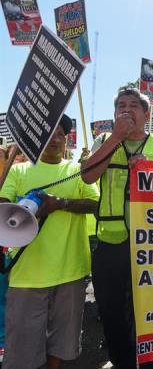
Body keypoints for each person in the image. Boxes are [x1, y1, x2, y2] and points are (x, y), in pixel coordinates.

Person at [81, 89, 153, 369]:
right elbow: (88, 176)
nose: (126, 110)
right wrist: (115, 138)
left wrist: (149, 175)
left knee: (151, 312)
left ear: (147, 115)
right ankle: (121, 361)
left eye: (134, 106)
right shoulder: (103, 140)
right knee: (111, 313)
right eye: (121, 106)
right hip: (110, 244)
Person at [0, 115, 99, 369]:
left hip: (70, 272)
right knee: (21, 346)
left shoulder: (78, 172)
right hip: (26, 275)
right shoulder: (19, 170)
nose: (55, 139)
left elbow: (96, 204)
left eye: (61, 135)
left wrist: (61, 204)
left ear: (66, 140)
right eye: (49, 133)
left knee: (61, 342)